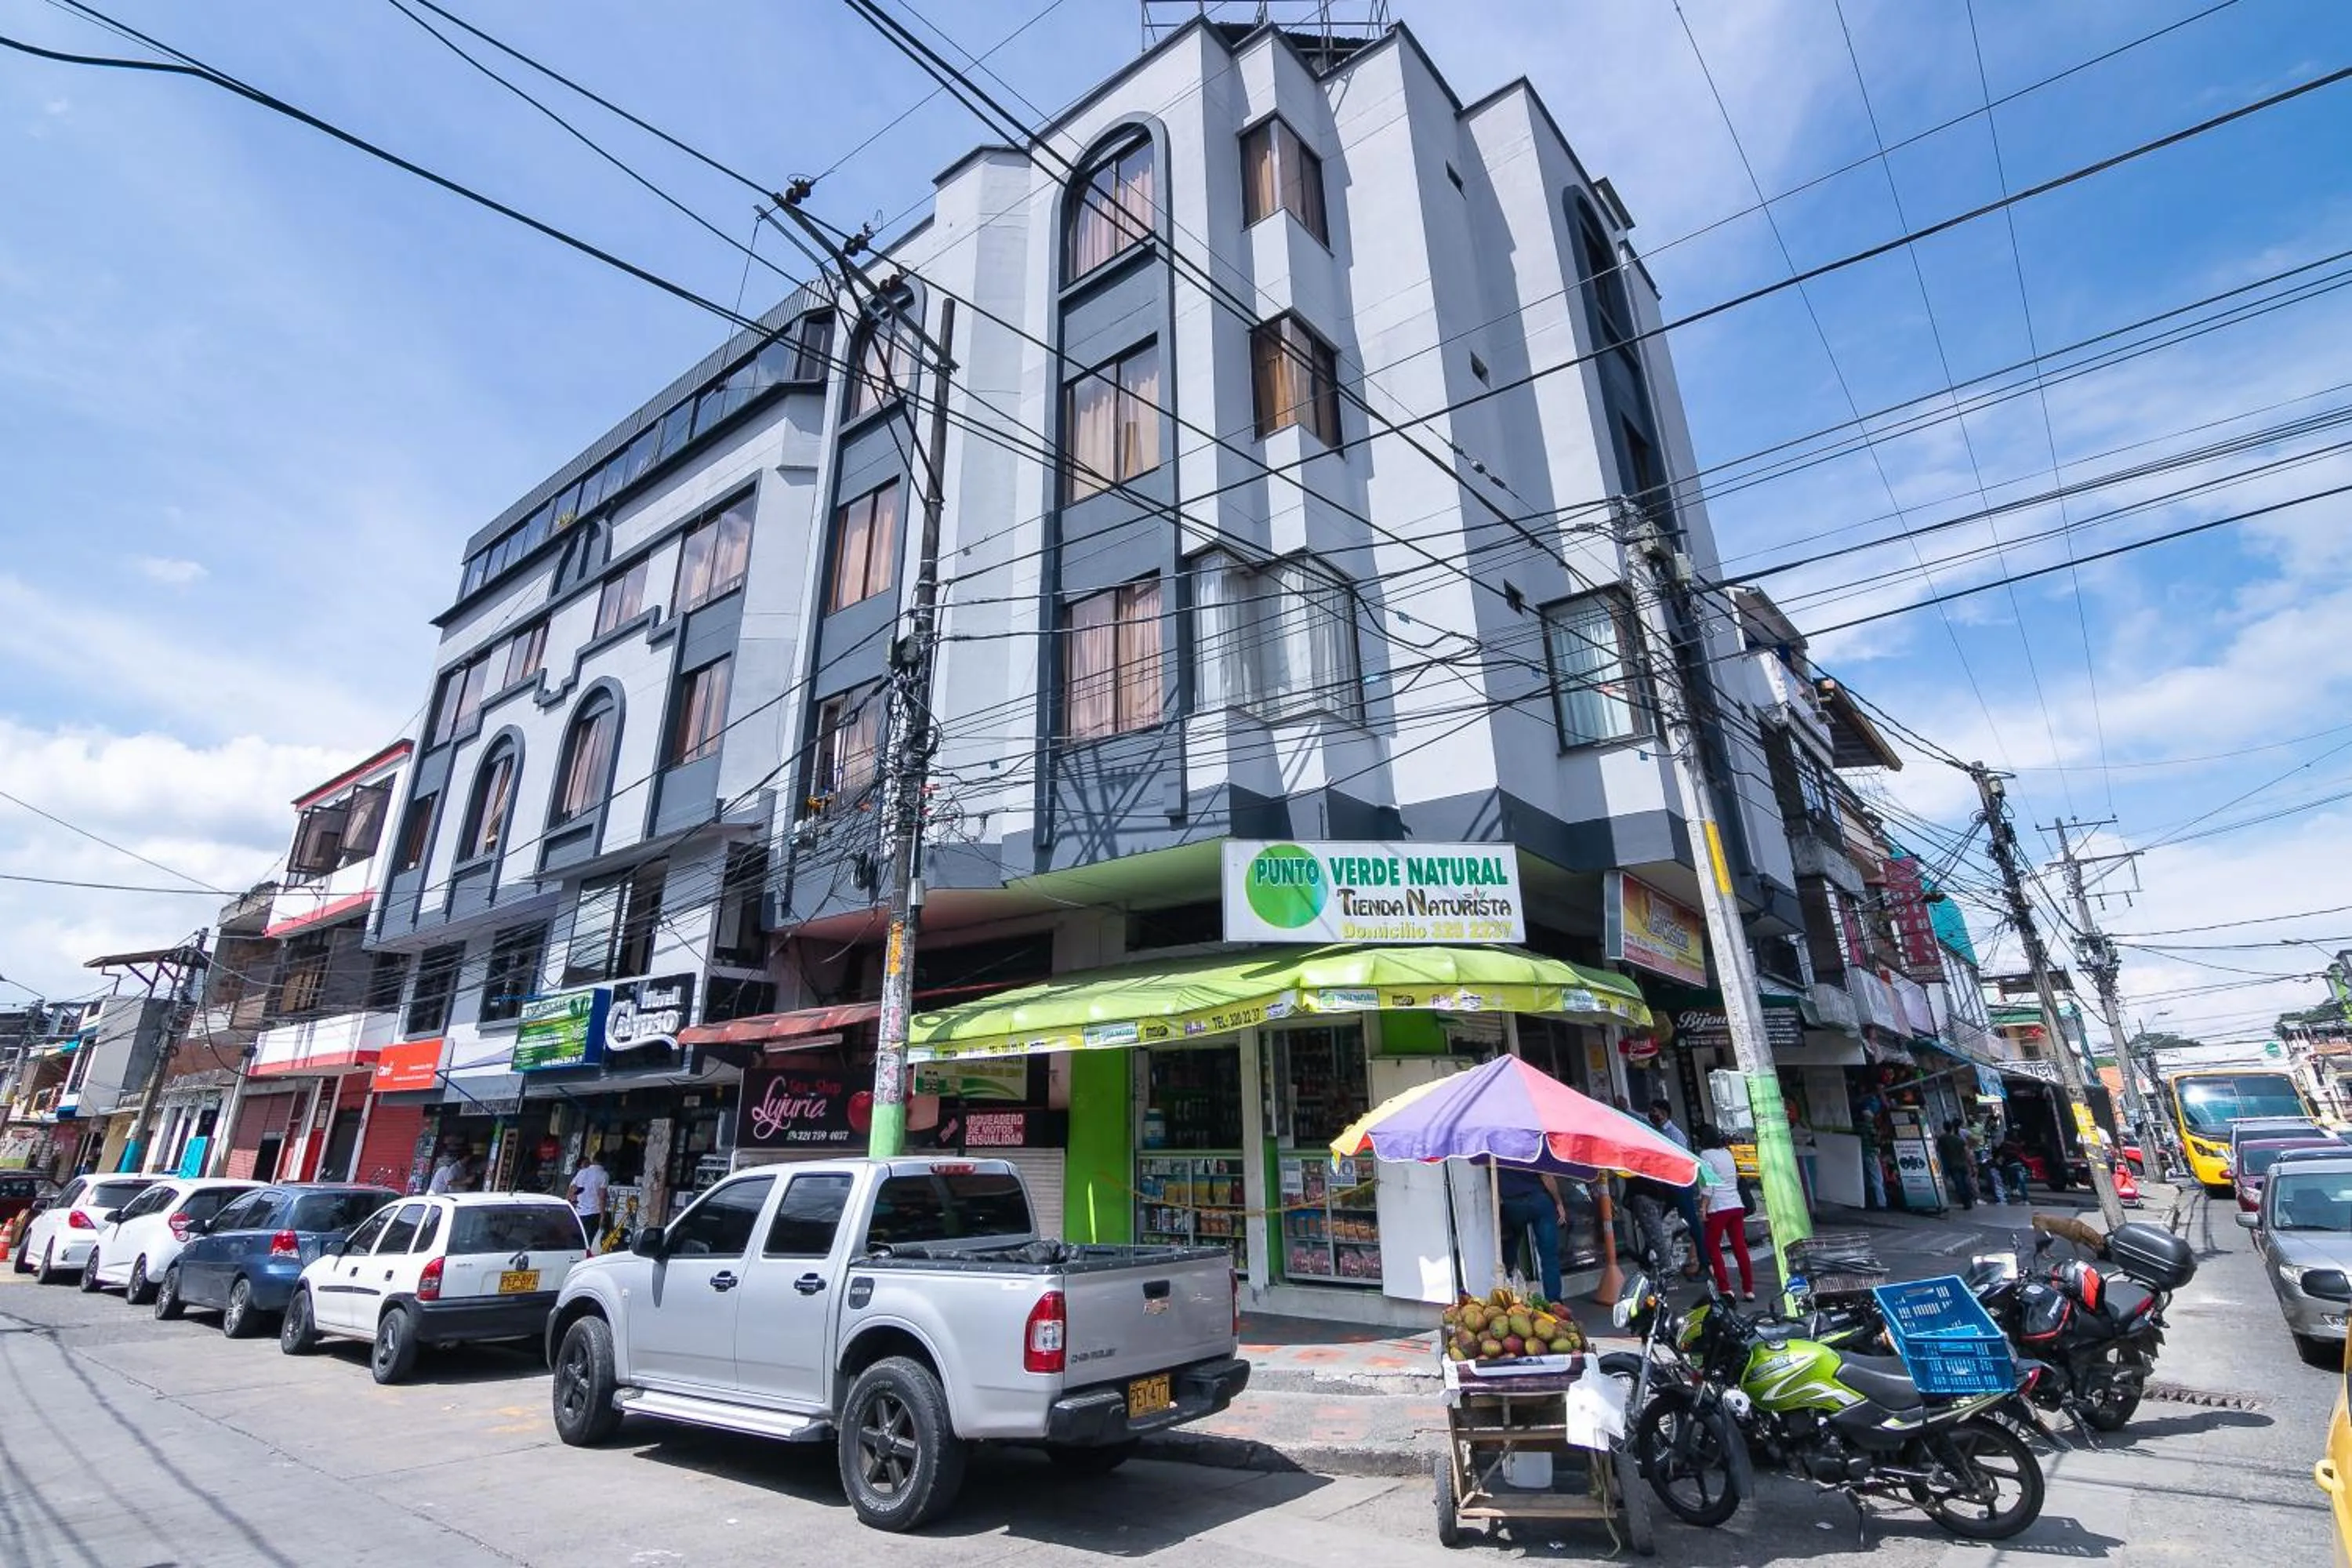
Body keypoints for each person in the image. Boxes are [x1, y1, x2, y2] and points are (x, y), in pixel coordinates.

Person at [1695, 1127, 1755, 1299]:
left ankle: (1725, 1287)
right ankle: (1748, 1289)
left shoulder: (1705, 1156)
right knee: (1740, 1247)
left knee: (1713, 1247)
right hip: (1736, 1204)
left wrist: (1703, 1207)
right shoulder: (1727, 1153)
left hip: (1718, 1207)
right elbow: (1735, 1177)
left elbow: (1707, 1186)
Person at [1648, 1098, 1705, 1278]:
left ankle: (1705, 1263)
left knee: (1692, 1225)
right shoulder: (1657, 1131)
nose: (1652, 1115)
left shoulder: (1675, 1135)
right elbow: (1641, 1121)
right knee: (1654, 1221)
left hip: (1680, 1186)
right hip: (1668, 1186)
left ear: (1664, 1114)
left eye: (1654, 1112)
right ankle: (1646, 1255)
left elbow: (1682, 1161)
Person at [1496, 1163, 1567, 1301]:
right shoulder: (1531, 1143)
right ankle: (1555, 1303)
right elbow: (1546, 1176)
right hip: (1538, 1200)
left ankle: (1510, 1299)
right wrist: (1558, 1202)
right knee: (1549, 1257)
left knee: (1509, 1254)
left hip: (1512, 1204)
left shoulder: (1497, 1147)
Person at [568, 1152, 610, 1243]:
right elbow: (602, 1197)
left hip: (579, 1212)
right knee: (588, 1241)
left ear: (593, 1159)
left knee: (578, 1241)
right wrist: (603, 1216)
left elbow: (571, 1190)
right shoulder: (604, 1175)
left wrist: (573, 1206)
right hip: (593, 1213)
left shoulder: (581, 1172)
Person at [1936, 1120, 1976, 1210]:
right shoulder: (1959, 1140)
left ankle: (1965, 1202)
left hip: (1952, 1164)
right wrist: (1972, 1166)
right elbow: (1967, 1153)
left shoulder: (1942, 1139)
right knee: (1966, 1183)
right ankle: (1968, 1201)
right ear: (1952, 1128)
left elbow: (1937, 1150)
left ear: (1944, 1128)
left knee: (1959, 1184)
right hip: (1963, 1164)